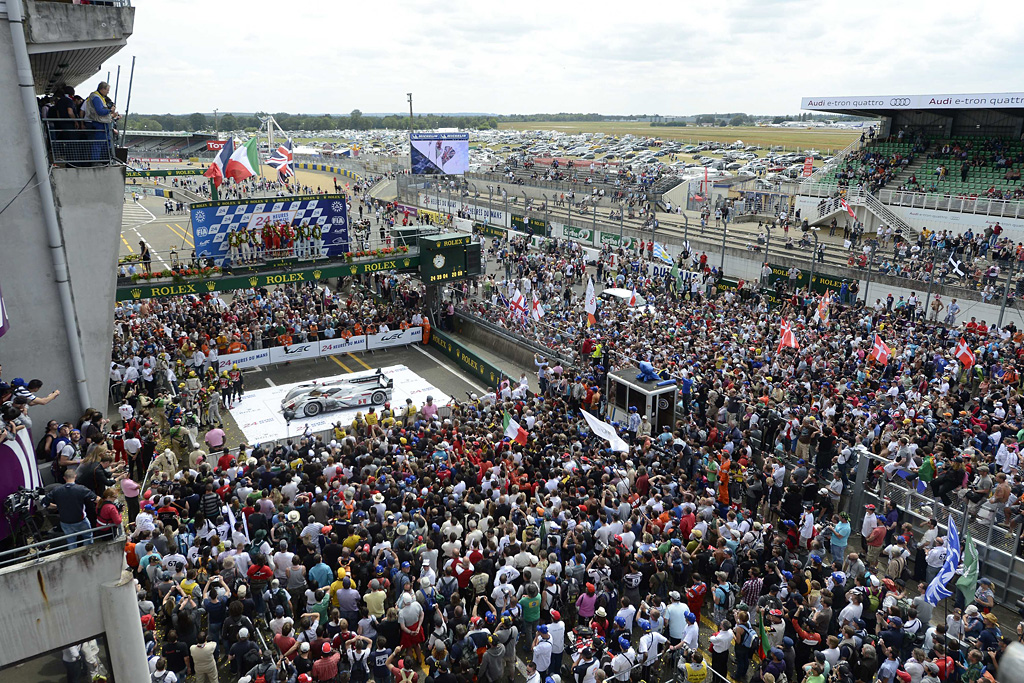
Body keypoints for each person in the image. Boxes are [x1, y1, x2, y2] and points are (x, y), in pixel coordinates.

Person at [44, 468, 97, 548]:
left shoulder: (57, 490)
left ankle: (73, 556)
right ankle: (87, 554)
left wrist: (57, 506)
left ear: (64, 478)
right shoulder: (81, 489)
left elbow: (45, 503)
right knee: (88, 537)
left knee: (71, 541)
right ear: (75, 476)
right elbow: (96, 499)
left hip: (65, 522)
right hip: (81, 520)